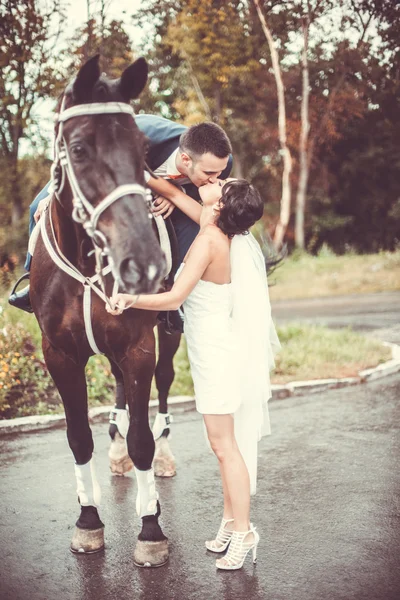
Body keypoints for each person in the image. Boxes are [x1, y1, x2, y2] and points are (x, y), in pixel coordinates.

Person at [106, 178, 281, 570]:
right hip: (215, 349)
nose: (214, 181)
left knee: (224, 447)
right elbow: (175, 195)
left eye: (221, 183)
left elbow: (174, 297)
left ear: (219, 206)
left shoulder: (208, 241)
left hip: (217, 355)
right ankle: (228, 521)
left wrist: (131, 298)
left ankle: (245, 532)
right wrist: (148, 175)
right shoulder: (220, 229)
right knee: (222, 446)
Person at [8, 116, 233, 321]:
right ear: (185, 159)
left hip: (168, 194)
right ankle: (32, 279)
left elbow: (205, 198)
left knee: (194, 229)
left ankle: (172, 303)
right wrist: (55, 193)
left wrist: (177, 195)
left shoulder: (219, 164)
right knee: (37, 206)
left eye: (219, 174)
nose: (216, 179)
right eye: (209, 174)